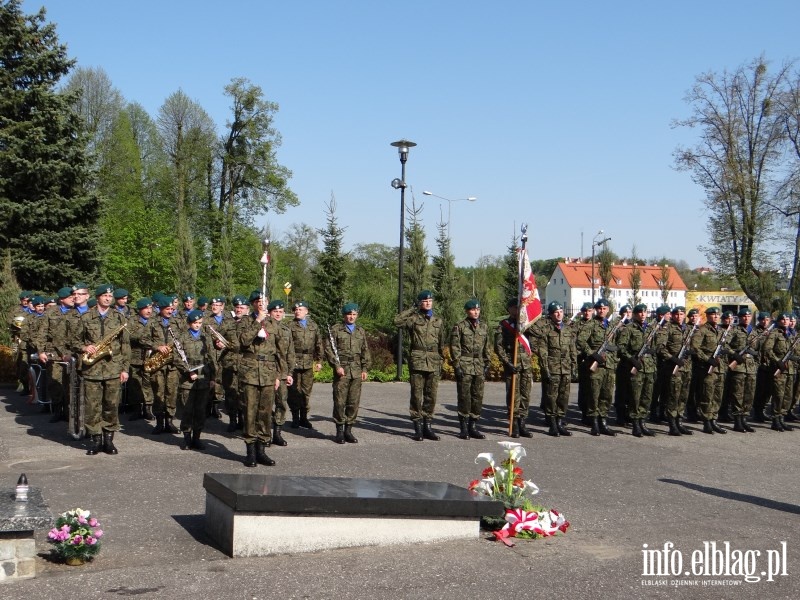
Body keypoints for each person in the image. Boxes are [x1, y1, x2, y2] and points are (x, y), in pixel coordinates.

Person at [72, 285, 131, 455]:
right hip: (92, 369)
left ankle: (109, 441)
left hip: (114, 368)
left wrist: (125, 369)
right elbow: (73, 341)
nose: (108, 298)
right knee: (92, 406)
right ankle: (95, 440)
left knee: (111, 405)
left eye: (110, 295)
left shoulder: (119, 318)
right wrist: (85, 347)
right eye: (104, 295)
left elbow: (125, 346)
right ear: (97, 297)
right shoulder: (86, 317)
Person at [236, 291, 287, 467]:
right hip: (250, 372)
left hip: (269, 373)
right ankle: (250, 451)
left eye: (264, 301)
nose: (261, 304)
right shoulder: (245, 321)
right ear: (252, 304)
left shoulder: (274, 324)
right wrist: (257, 321)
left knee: (265, 412)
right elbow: (242, 341)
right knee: (250, 411)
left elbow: (281, 352)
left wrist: (280, 375)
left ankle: (262, 449)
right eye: (257, 301)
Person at [394, 290, 446, 441]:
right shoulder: (413, 319)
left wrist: (441, 360)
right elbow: (397, 321)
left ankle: (427, 426)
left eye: (429, 301)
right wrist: (412, 308)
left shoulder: (438, 321)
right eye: (424, 301)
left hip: (434, 360)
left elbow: (441, 342)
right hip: (417, 360)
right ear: (420, 303)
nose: (428, 303)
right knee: (417, 395)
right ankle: (417, 428)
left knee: (431, 396)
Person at [326, 303, 371, 443]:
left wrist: (365, 368)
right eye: (349, 314)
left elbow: (365, 350)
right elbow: (329, 349)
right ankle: (339, 430)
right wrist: (336, 366)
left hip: (356, 370)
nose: (351, 317)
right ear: (344, 315)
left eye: (354, 314)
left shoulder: (360, 331)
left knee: (353, 402)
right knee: (340, 401)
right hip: (343, 370)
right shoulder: (335, 329)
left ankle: (348, 430)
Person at [531, 301, 577, 437]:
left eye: (561, 312)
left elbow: (572, 349)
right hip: (552, 367)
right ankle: (552, 424)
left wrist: (574, 367)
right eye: (556, 312)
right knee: (551, 396)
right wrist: (546, 369)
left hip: (566, 367)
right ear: (551, 315)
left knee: (564, 396)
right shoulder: (546, 330)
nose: (559, 314)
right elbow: (543, 351)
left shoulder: (567, 329)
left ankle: (560, 421)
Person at [175, 309, 217, 450]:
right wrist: (188, 371)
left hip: (204, 378)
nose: (197, 325)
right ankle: (186, 438)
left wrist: (213, 377)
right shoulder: (182, 337)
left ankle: (197, 438)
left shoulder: (206, 337)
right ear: (189, 323)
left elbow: (211, 358)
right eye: (195, 323)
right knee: (187, 409)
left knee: (200, 410)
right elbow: (177, 358)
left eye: (199, 322)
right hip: (188, 380)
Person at [575, 298, 618, 436]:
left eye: (604, 308)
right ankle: (594, 423)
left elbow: (616, 345)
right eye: (599, 308)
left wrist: (615, 359)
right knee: (594, 395)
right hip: (596, 365)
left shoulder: (611, 326)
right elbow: (581, 341)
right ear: (595, 310)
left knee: (606, 395)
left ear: (608, 310)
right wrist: (593, 354)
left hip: (609, 365)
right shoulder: (591, 325)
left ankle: (603, 422)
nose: (602, 310)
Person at [450, 299, 491, 439]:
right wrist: (457, 365)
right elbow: (455, 347)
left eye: (478, 310)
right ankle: (463, 427)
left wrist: (487, 363)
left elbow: (487, 347)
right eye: (473, 310)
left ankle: (473, 425)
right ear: (467, 311)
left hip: (479, 365)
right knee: (464, 397)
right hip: (465, 364)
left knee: (477, 397)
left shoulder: (484, 327)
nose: (476, 312)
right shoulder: (460, 326)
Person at [617, 304, 660, 437]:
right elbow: (621, 348)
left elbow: (655, 347)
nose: (642, 314)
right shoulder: (629, 328)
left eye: (644, 312)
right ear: (635, 314)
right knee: (635, 397)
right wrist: (632, 359)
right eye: (639, 312)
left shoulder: (651, 329)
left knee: (647, 397)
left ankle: (643, 422)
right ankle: (635, 424)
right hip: (636, 367)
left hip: (649, 367)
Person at [494, 298, 534, 437]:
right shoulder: (504, 325)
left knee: (525, 395)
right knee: (513, 395)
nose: (517, 310)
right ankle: (514, 424)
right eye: (514, 307)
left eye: (519, 307)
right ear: (509, 309)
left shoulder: (526, 324)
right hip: (513, 363)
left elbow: (535, 340)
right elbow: (498, 347)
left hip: (526, 364)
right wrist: (508, 363)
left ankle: (523, 423)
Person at [142, 294, 180, 435]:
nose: (170, 311)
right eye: (167, 309)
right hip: (157, 364)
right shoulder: (152, 322)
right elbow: (143, 339)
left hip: (173, 363)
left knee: (171, 393)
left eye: (172, 308)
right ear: (161, 309)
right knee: (158, 393)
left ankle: (169, 422)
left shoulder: (178, 322)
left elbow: (183, 339)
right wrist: (157, 346)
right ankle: (159, 423)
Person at [690, 306, 730, 434]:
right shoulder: (702, 330)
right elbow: (695, 348)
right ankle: (706, 422)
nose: (716, 316)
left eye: (717, 315)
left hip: (720, 368)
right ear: (707, 316)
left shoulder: (721, 331)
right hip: (708, 368)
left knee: (718, 396)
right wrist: (707, 359)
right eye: (713, 315)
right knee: (707, 395)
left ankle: (714, 420)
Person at [656, 306, 694, 435]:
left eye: (682, 314)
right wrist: (672, 358)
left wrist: (691, 351)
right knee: (673, 396)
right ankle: (672, 424)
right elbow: (660, 348)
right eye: (676, 314)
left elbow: (695, 345)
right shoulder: (667, 328)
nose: (679, 316)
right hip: (673, 368)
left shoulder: (689, 329)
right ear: (672, 315)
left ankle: (679, 422)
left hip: (687, 368)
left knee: (683, 396)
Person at [287, 300, 324, 429]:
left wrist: (319, 361)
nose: (297, 311)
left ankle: (304, 417)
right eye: (296, 310)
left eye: (300, 309)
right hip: (294, 362)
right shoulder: (290, 326)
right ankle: (295, 418)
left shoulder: (313, 326)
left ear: (306, 311)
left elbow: (319, 344)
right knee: (293, 391)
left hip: (308, 363)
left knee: (306, 391)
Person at [761, 312, 797, 432]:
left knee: (787, 396)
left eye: (787, 319)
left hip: (790, 369)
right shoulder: (774, 333)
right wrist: (777, 361)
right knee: (778, 395)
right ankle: (775, 420)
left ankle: (782, 419)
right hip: (779, 369)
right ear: (779, 321)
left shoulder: (791, 335)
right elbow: (767, 349)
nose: (786, 321)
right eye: (783, 319)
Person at [267, 299, 295, 446]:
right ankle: (264, 433)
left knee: (281, 403)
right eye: (275, 311)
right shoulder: (264, 328)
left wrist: (290, 373)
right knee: (265, 404)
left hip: (283, 373)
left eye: (280, 312)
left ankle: (277, 433)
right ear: (270, 313)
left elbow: (290, 353)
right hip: (267, 372)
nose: (278, 314)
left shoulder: (286, 330)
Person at [726, 307, 757, 433]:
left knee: (749, 394)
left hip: (751, 367)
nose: (747, 318)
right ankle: (737, 421)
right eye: (744, 316)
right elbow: (724, 344)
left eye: (749, 316)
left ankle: (744, 419)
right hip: (738, 366)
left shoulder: (753, 331)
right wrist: (734, 354)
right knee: (738, 394)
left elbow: (758, 349)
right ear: (739, 318)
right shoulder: (734, 330)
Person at [221, 296, 248, 431]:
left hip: (245, 364)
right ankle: (232, 420)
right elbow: (217, 336)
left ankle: (242, 419)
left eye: (241, 307)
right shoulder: (227, 322)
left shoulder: (251, 323)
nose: (238, 310)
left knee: (244, 393)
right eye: (237, 307)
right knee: (230, 393)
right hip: (230, 363)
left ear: (247, 309)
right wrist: (218, 343)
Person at [573, 302, 595, 425]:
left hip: (595, 359)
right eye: (585, 311)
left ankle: (592, 412)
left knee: (593, 388)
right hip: (583, 359)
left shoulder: (596, 323)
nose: (587, 313)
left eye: (589, 310)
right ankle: (584, 412)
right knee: (584, 388)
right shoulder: (577, 325)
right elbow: (576, 341)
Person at [751, 311, 773, 422]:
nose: (765, 322)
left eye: (767, 319)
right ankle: (757, 412)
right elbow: (753, 347)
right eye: (763, 319)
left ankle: (763, 410)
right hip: (759, 365)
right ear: (759, 320)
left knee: (768, 390)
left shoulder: (772, 331)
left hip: (770, 365)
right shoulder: (755, 331)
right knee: (760, 390)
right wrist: (760, 338)